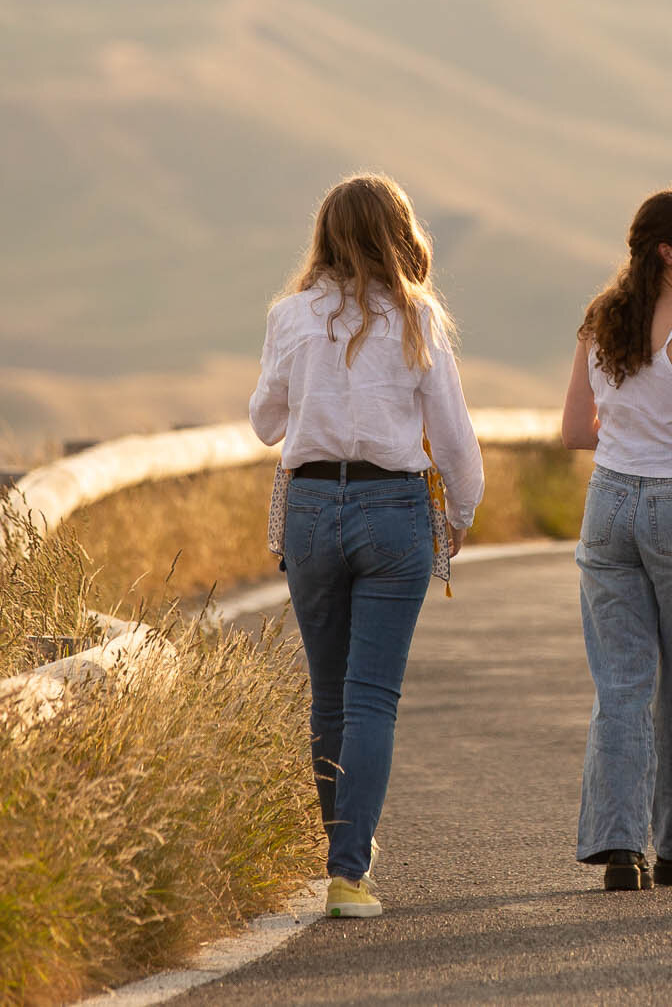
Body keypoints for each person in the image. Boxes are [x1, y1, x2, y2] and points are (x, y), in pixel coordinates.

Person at [251, 172, 485, 920]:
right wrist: (462, 512)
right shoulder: (418, 316)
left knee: (328, 695)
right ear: (400, 234)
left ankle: (343, 847)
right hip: (394, 510)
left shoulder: (290, 316)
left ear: (324, 234)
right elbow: (453, 435)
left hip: (311, 507)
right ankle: (349, 874)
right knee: (372, 697)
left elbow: (265, 422)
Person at [560, 189, 672, 892]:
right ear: (668, 250)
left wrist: (631, 435)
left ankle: (618, 845)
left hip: (608, 503)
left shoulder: (600, 320)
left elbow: (575, 432)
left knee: (622, 682)